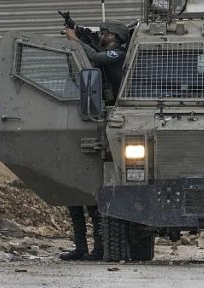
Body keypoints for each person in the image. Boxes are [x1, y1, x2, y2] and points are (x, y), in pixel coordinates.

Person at [58, 21, 129, 261]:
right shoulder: (106, 54)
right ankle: (82, 247)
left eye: (105, 33)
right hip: (98, 116)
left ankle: (98, 248)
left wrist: (76, 39)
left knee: (93, 197)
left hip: (115, 120)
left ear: (114, 37)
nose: (102, 36)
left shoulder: (118, 54)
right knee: (75, 198)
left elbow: (96, 57)